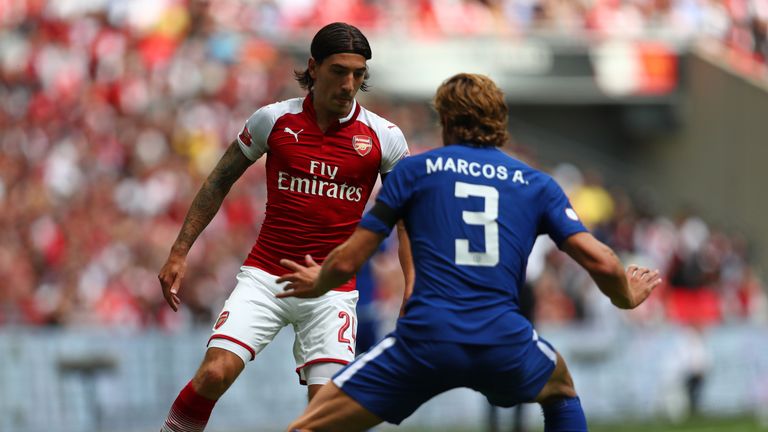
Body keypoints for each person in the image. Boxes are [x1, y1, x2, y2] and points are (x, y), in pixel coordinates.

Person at [276, 73, 662, 432]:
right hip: (503, 339)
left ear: (445, 119)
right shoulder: (535, 184)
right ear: (500, 121)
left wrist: (318, 281)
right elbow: (601, 260)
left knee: (307, 426)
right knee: (560, 387)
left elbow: (348, 258)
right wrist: (626, 297)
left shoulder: (415, 172)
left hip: (427, 340)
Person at [156, 22, 412, 432]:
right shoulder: (273, 120)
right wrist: (179, 251)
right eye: (339, 71)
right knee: (213, 374)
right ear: (313, 67)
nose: (349, 84)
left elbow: (408, 217)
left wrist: (412, 286)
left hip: (331, 290)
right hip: (265, 276)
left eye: (358, 74)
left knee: (327, 415)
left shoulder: (385, 138)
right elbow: (219, 180)